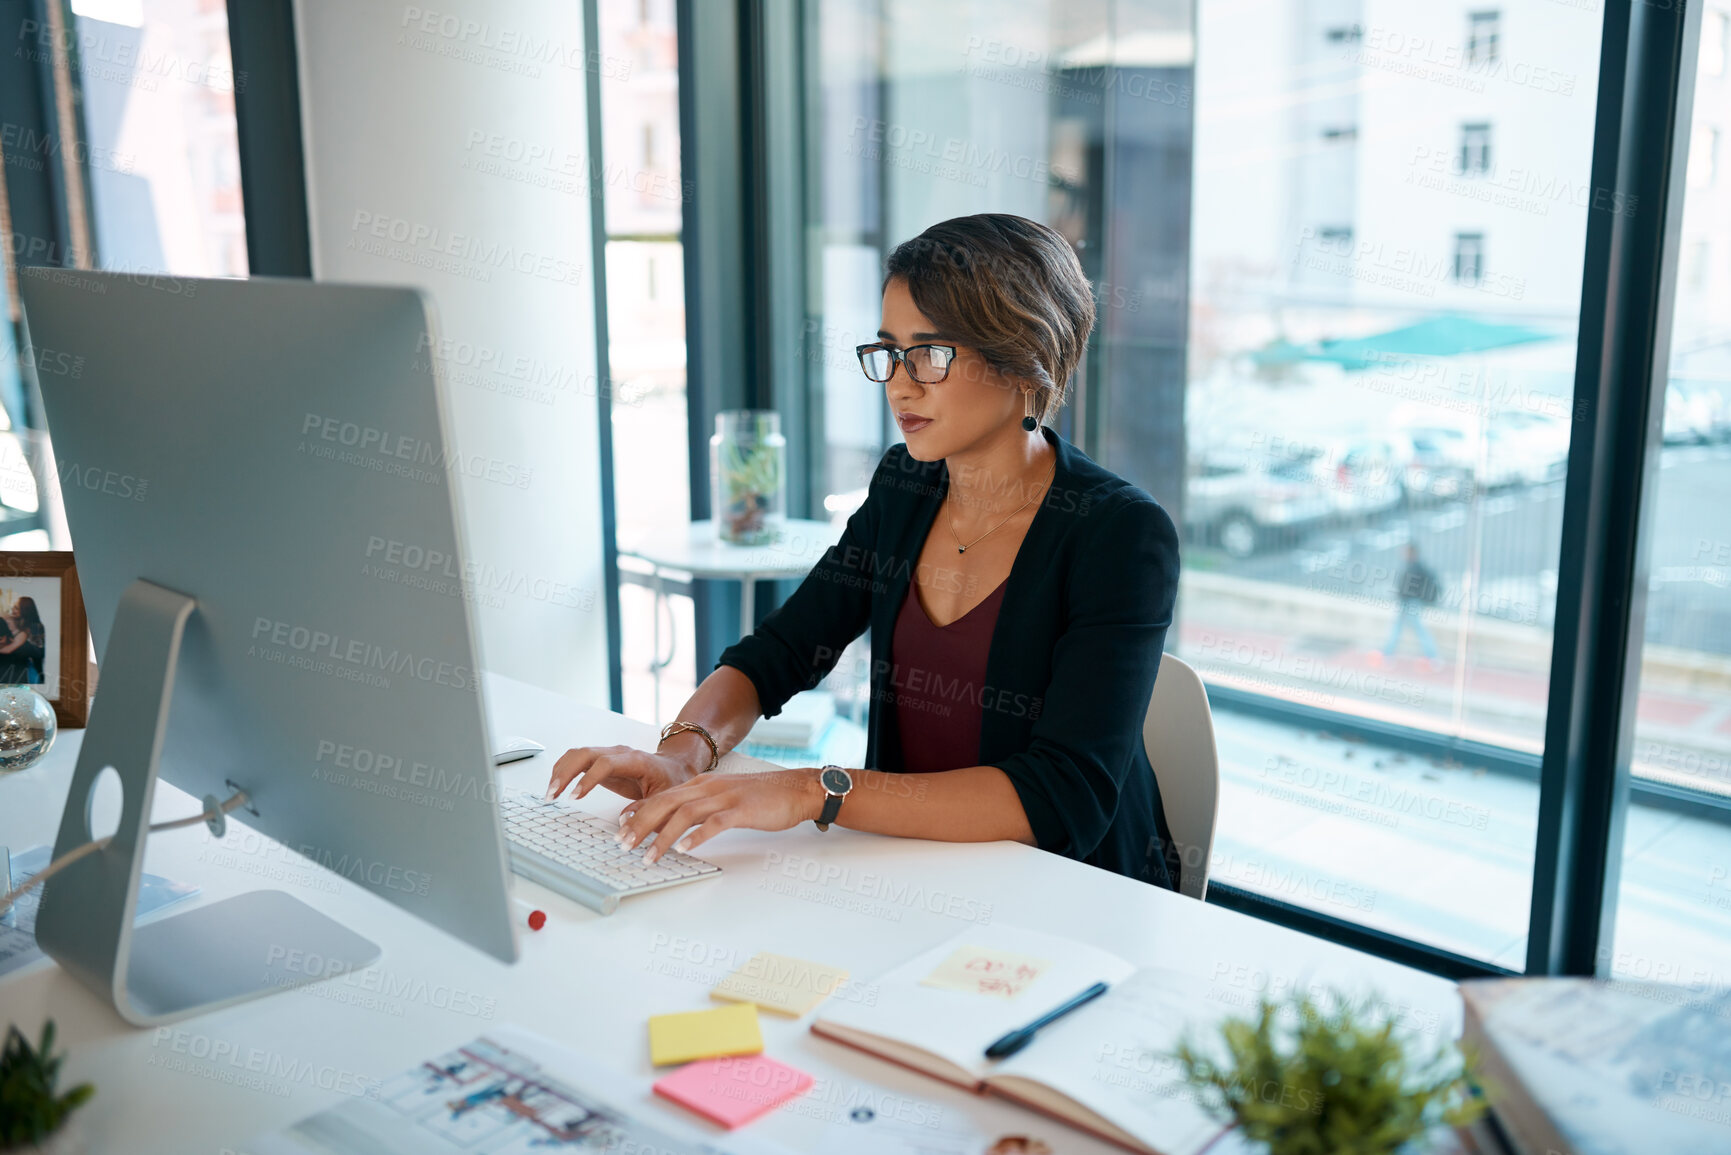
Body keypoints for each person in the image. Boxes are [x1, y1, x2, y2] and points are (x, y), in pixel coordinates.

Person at [543, 213, 1186, 890]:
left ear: (1020, 357)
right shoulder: (906, 484)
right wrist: (680, 753)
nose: (899, 384)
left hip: (1073, 897)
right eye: (889, 352)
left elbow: (1063, 797)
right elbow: (782, 651)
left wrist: (811, 790)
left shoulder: (1118, 533)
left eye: (929, 354)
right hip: (913, 875)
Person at [1378, 544, 1441, 667]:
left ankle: (1432, 656)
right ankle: (1388, 653)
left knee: (1413, 629)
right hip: (1407, 602)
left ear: (1411, 552)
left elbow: (1410, 586)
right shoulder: (1414, 566)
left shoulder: (1415, 567)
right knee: (1400, 627)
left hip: (1409, 603)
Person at [0, 597, 41, 685]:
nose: (13, 610)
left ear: (25, 610)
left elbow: (8, 650)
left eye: (16, 608)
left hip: (29, 667)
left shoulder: (30, 629)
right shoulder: (18, 623)